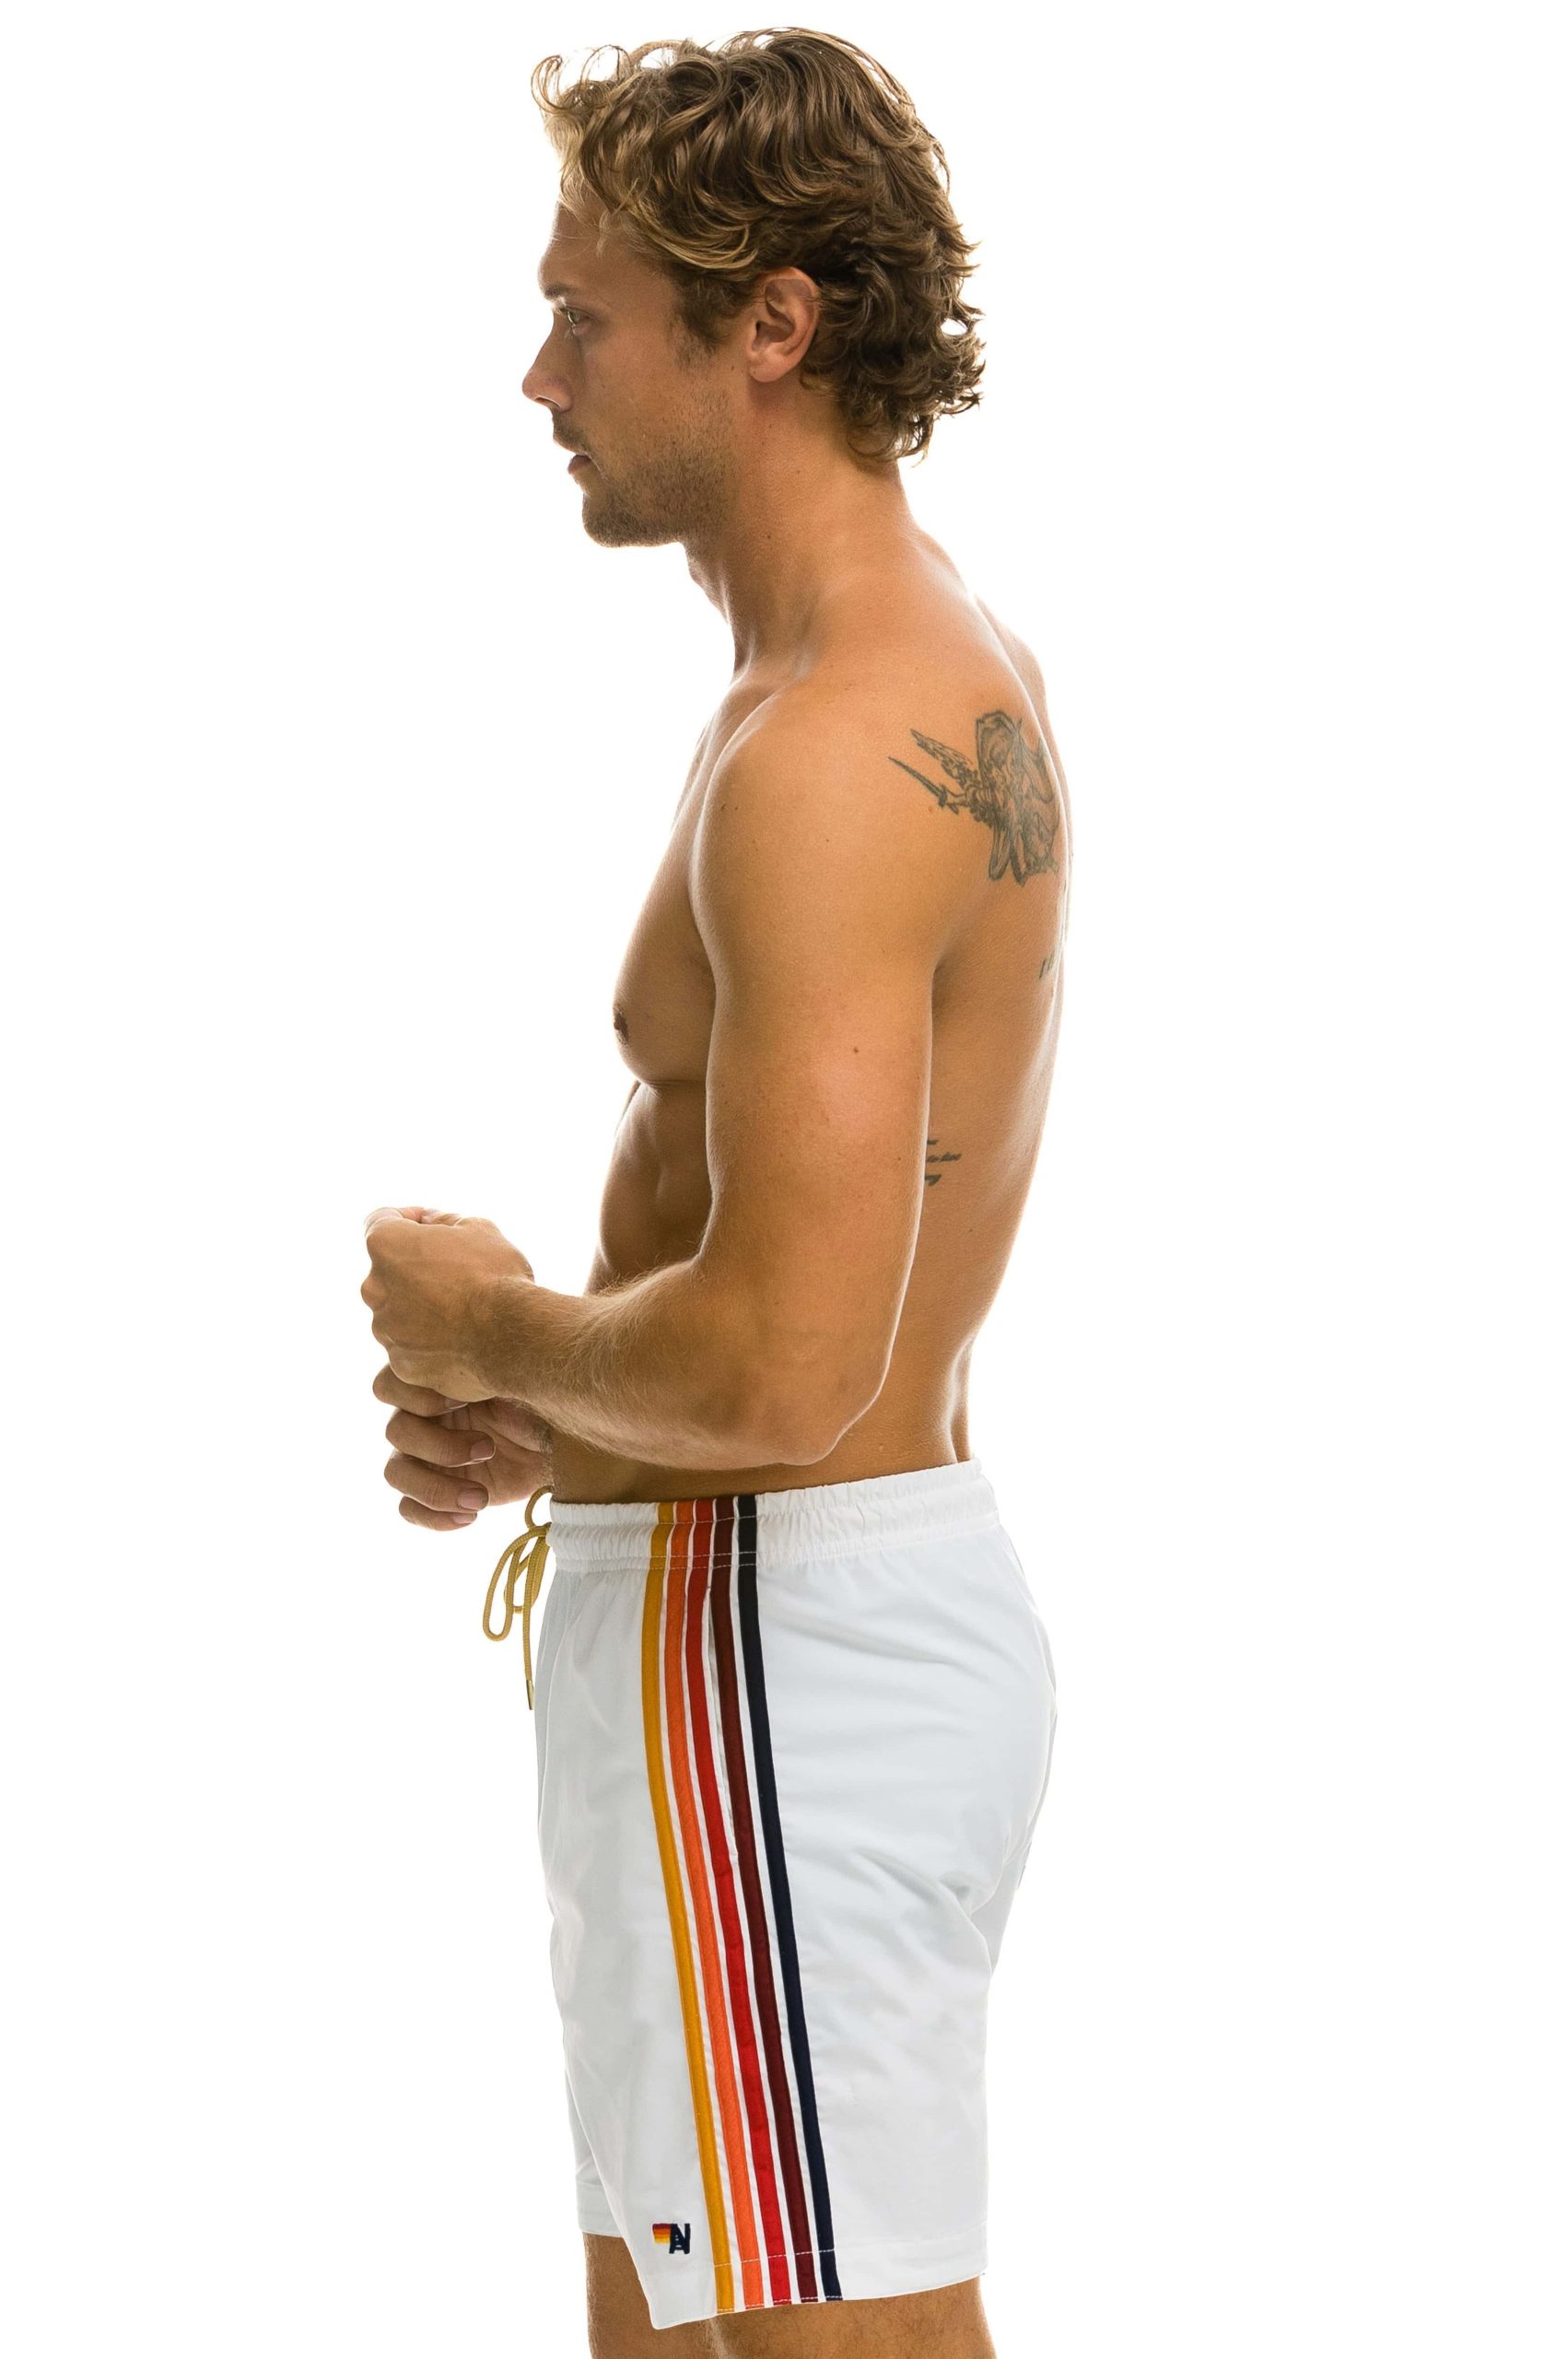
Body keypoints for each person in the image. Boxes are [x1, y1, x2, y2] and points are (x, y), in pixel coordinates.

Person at [361, 30, 1071, 2357]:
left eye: (585, 319)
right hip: (744, 1635)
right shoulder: (847, 677)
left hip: (780, 1656)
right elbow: (781, 1312)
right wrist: (561, 1412)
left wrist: (489, 1332)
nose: (537, 377)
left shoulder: (840, 742)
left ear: (767, 322)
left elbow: (782, 1363)